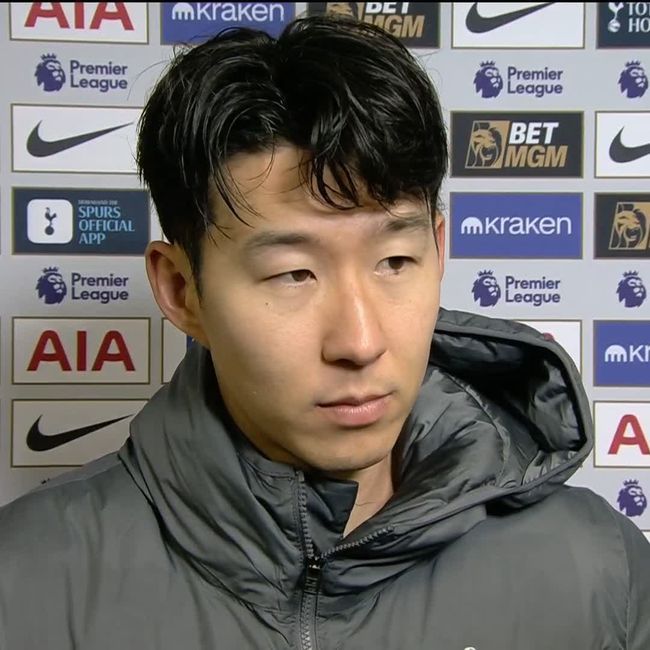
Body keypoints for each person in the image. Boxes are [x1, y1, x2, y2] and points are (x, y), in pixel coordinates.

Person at [1, 14, 649, 650]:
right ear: (181, 290)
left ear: (439, 252)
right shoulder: (26, 581)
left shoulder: (598, 573)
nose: (360, 342)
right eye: (293, 274)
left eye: (395, 261)